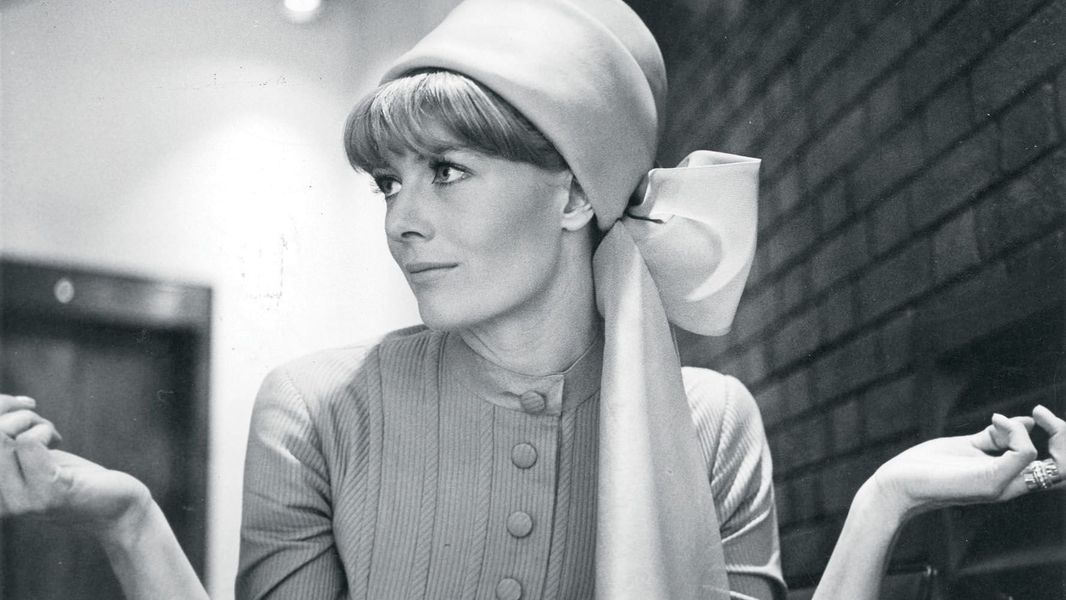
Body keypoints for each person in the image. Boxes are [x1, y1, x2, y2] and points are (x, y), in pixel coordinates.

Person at [0, 1, 1063, 599]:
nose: (401, 222)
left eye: (445, 172)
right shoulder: (316, 409)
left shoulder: (709, 421)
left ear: (574, 191)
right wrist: (130, 521)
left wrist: (887, 498)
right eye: (387, 184)